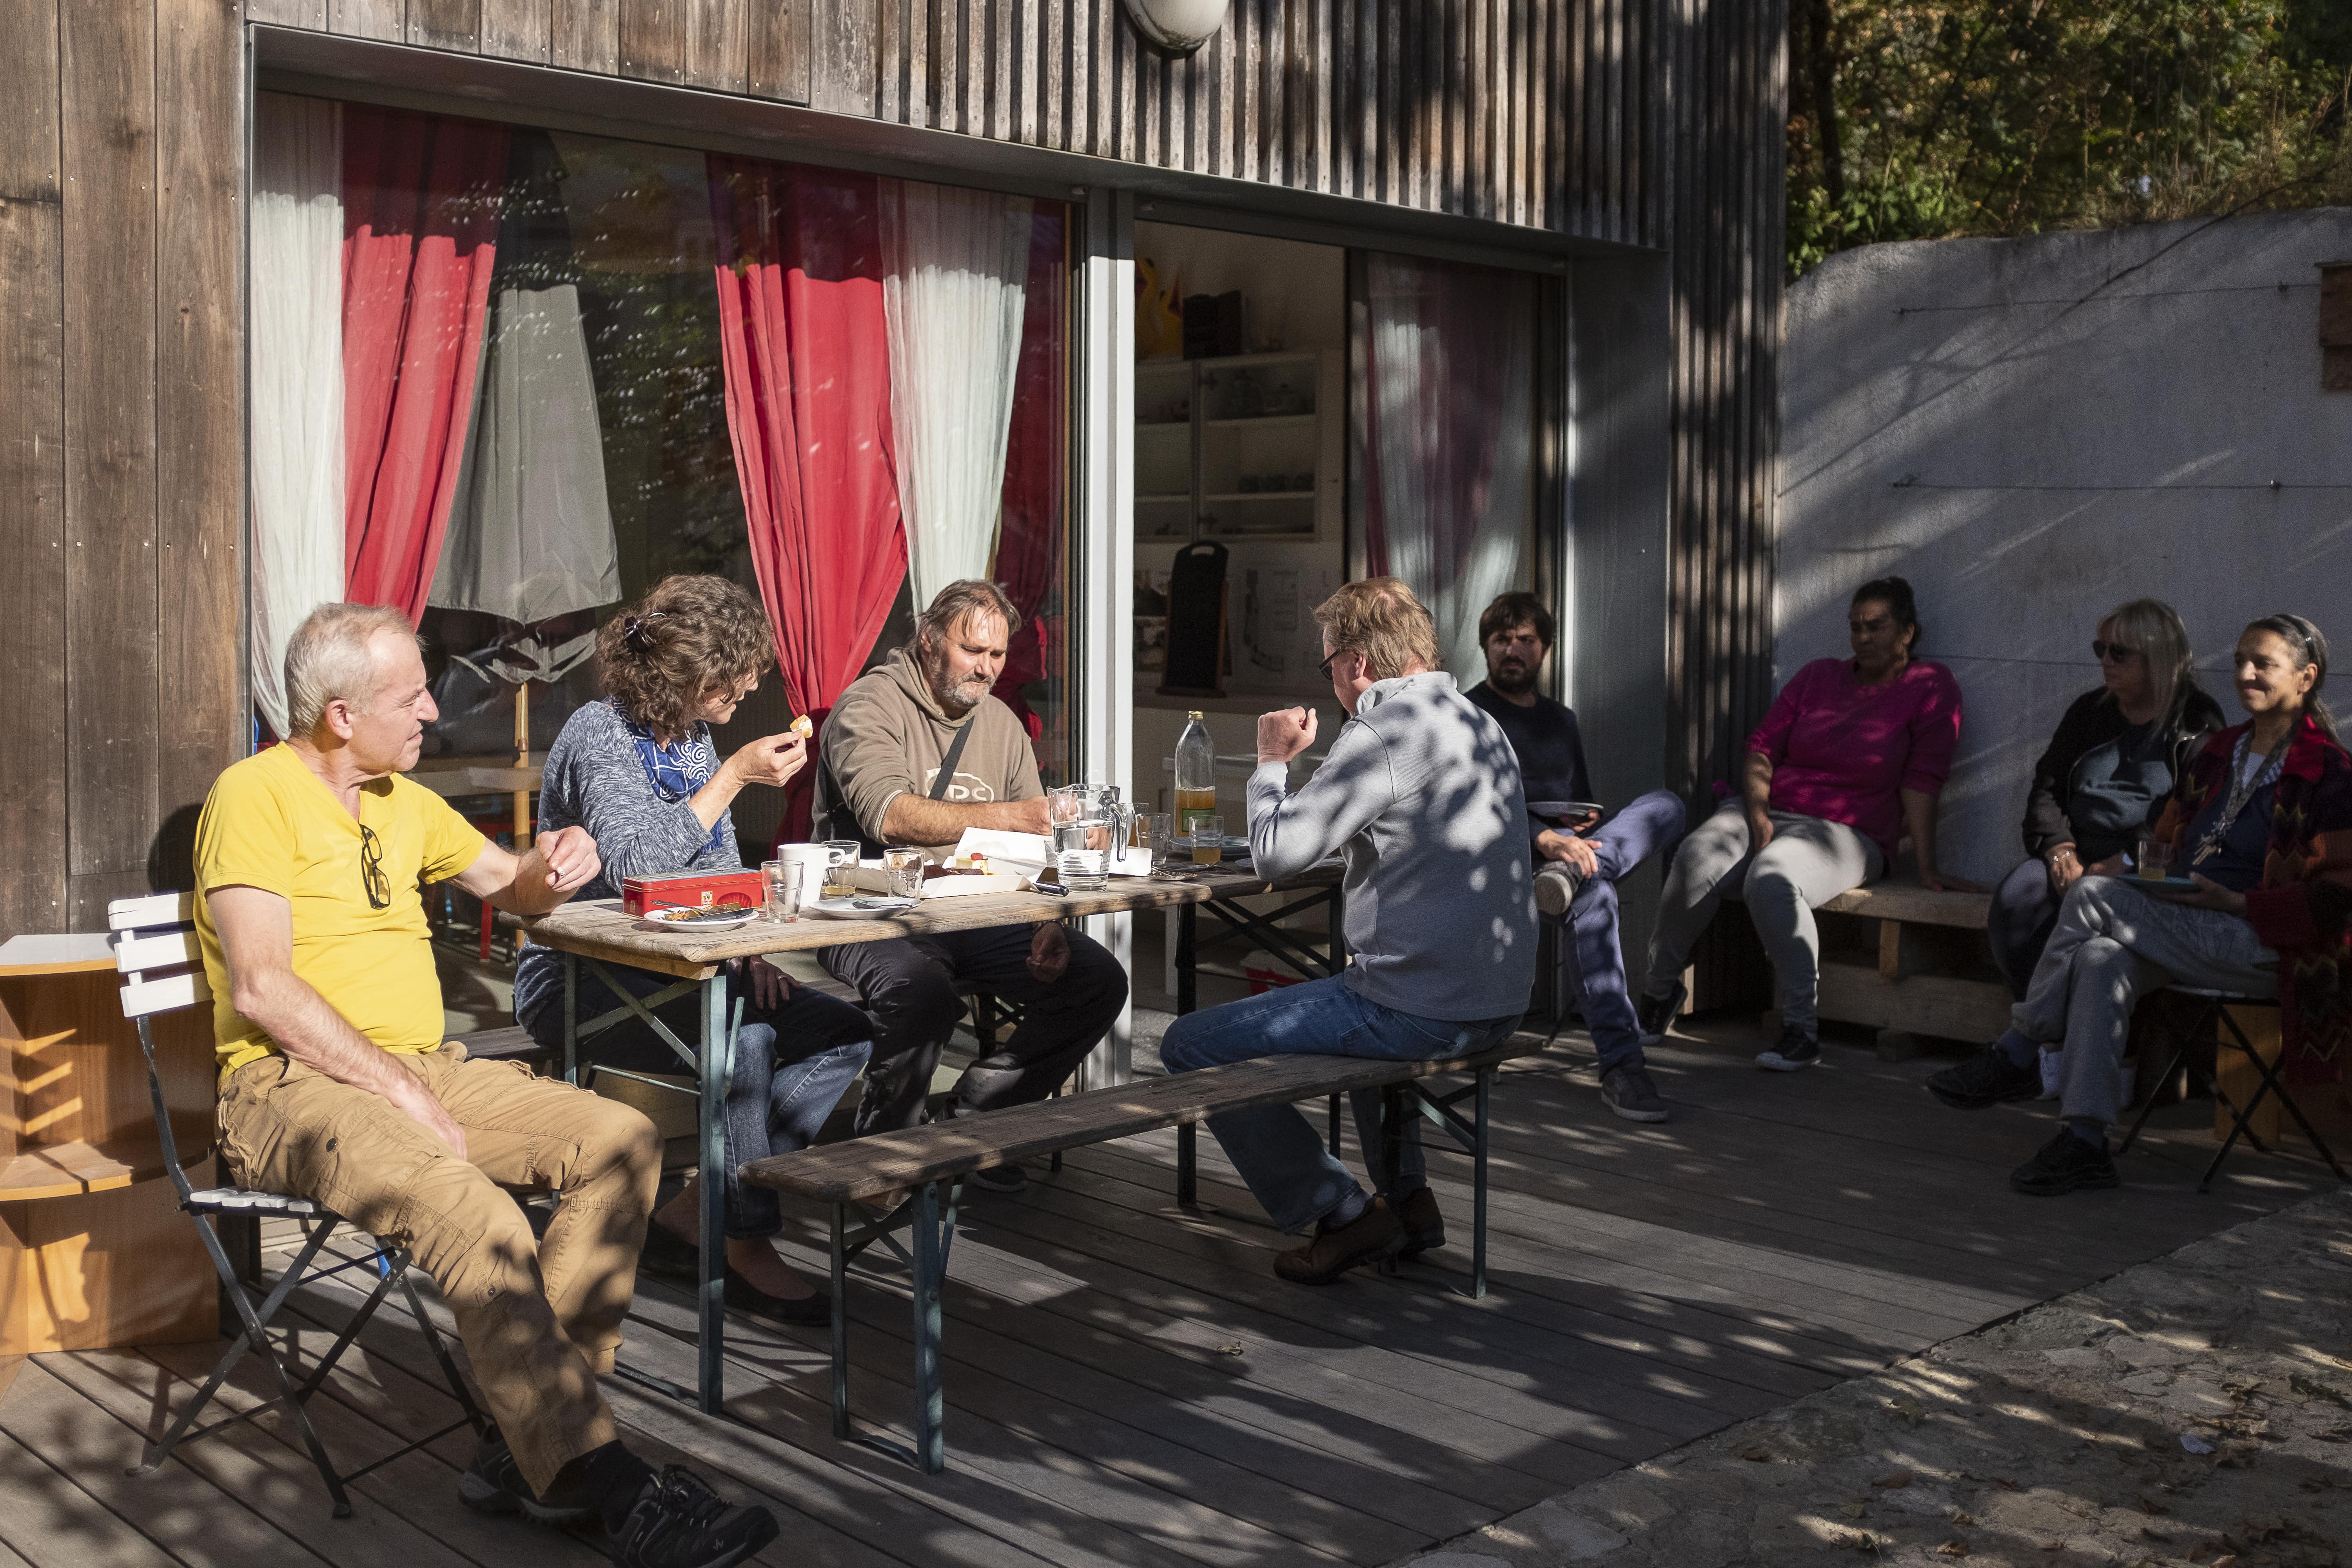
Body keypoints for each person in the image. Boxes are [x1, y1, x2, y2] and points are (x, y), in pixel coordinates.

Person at [196, 603, 775, 1566]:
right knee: (482, 1217)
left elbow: (516, 886)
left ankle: (531, 1449)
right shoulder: (253, 795)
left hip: (421, 1069)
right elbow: (263, 987)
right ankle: (605, 1482)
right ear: (342, 715)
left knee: (621, 1141)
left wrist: (558, 864)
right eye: (412, 694)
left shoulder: (400, 799)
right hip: (290, 1086)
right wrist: (402, 1091)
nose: (434, 707)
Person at [512, 575, 873, 1327]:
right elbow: (632, 867)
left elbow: (708, 878)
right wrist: (736, 775)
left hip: (686, 967)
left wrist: (746, 952)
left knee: (844, 1032)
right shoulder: (600, 733)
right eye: (735, 672)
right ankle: (745, 1246)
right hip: (580, 976)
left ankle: (698, 1208)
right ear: (687, 672)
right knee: (745, 1040)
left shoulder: (693, 738)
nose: (749, 685)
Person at [1158, 579, 1535, 1285]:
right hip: (1500, 1001)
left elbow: (1276, 853)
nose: (1330, 680)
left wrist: (1272, 759)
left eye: (1328, 665)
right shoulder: (1478, 721)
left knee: (1190, 1045)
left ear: (1358, 663)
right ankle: (1411, 1200)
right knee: (1357, 991)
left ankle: (1342, 1213)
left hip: (1424, 1011)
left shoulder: (1385, 729)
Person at [1928, 615, 2352, 1196]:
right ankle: (2084, 1141)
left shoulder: (2329, 774)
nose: (2245, 674)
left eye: (2264, 664)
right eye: (2240, 661)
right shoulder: (2219, 752)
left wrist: (2241, 901)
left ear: (2306, 678)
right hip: (2184, 920)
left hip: (2261, 942)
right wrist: (2156, 877)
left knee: (2095, 894)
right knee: (2101, 959)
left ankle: (2020, 1047)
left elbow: (2335, 901)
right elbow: (2167, 839)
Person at [816, 579, 1129, 1188]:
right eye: (972, 651)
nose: (986, 669)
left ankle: (971, 1125)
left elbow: (1039, 842)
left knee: (1095, 979)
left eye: (998, 656)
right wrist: (1018, 817)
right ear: (929, 639)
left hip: (980, 910)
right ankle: (885, 1159)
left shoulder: (1002, 723)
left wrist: (1047, 922)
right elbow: (891, 816)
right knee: (920, 992)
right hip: (872, 908)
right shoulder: (870, 706)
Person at [1638, 577, 1973, 1071]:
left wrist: (1927, 865)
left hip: (1848, 831)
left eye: (1876, 627)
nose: (1862, 637)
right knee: (1695, 856)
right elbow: (1762, 747)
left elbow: (1923, 781)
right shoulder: (1818, 676)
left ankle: (1801, 1028)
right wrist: (1755, 810)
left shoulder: (1930, 687)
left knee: (1771, 880)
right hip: (1769, 811)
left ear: (1907, 633)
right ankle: (1658, 993)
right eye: (1855, 627)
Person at [1464, 590, 1686, 1123]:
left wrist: (1576, 834)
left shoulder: (1560, 721)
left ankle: (1576, 870)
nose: (1512, 650)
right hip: (1498, 861)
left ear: (1545, 649)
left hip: (1560, 859)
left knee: (1667, 805)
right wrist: (1543, 838)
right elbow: (1471, 806)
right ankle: (1622, 1067)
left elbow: (1581, 802)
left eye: (1525, 640)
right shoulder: (1470, 715)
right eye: (1501, 640)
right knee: (1595, 893)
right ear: (1486, 648)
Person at [1987, 599, 2223, 998]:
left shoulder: (2197, 720)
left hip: (2149, 865)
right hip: (2077, 857)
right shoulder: (2089, 712)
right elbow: (2048, 787)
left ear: (2158, 658)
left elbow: (2193, 811)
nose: (2105, 661)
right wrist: (2060, 851)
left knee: (2103, 947)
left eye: (2119, 652)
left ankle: (2068, 1043)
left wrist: (2129, 859)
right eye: (2101, 649)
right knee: (2015, 900)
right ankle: (2047, 1035)